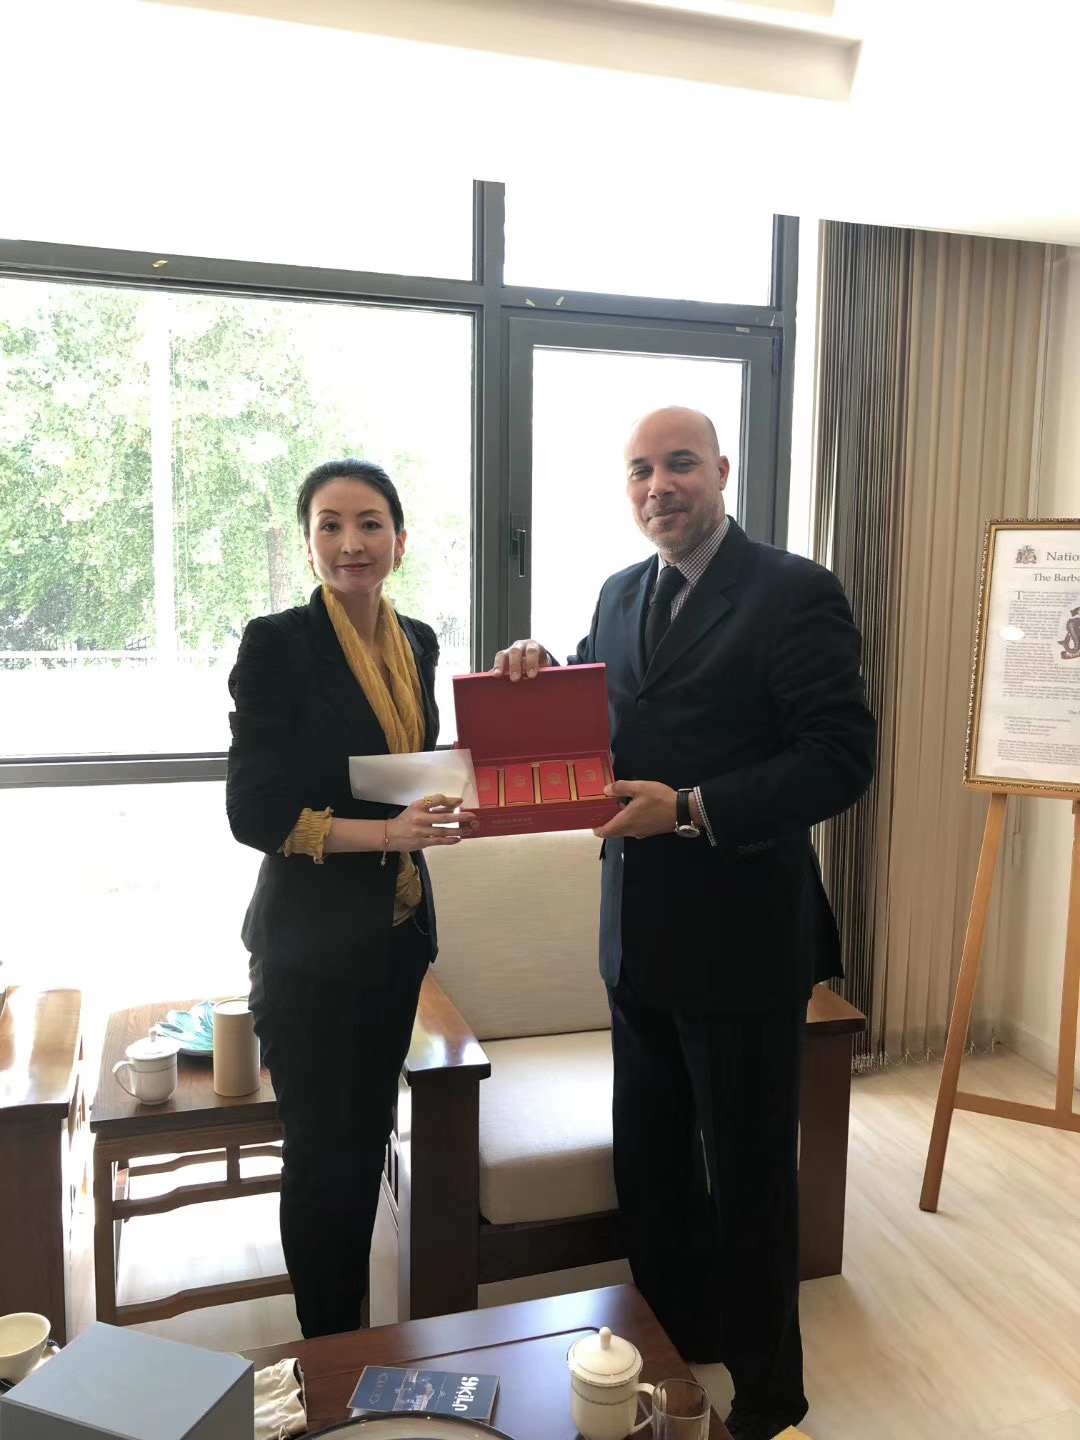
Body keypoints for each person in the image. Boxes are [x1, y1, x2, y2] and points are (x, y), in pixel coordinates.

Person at [494, 408, 875, 1440]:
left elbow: (840, 758)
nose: (658, 485)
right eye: (639, 471)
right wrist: (535, 664)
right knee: (652, 1174)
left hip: (744, 946)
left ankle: (769, 1401)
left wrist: (696, 808)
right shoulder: (620, 593)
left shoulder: (794, 592)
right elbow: (590, 710)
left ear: (721, 471)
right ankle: (674, 1357)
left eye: (679, 464)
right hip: (636, 942)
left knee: (750, 1186)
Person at [226, 457, 477, 1338]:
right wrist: (387, 835)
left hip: (395, 938)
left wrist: (443, 806)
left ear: (399, 542)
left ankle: (355, 1333)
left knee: (365, 1142)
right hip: (308, 950)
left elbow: (402, 773)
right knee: (322, 1161)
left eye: (369, 523)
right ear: (308, 546)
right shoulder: (277, 644)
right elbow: (253, 812)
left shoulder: (419, 642)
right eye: (329, 525)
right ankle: (327, 1352)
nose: (350, 542)